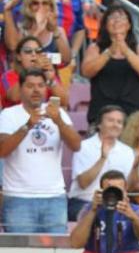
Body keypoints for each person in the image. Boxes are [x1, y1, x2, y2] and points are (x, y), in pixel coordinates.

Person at [0, 68, 81, 233]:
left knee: (55, 252)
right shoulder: (9, 115)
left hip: (54, 197)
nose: (36, 90)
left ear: (46, 88)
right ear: (21, 88)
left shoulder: (58, 113)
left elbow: (76, 145)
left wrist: (58, 121)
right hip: (18, 198)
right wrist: (28, 125)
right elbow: (3, 151)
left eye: (40, 85)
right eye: (30, 85)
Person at [81, 6, 139, 124]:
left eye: (122, 17)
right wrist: (109, 52)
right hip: (101, 114)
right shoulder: (95, 48)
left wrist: (125, 50)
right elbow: (86, 71)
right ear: (105, 24)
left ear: (129, 25)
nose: (117, 20)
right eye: (112, 17)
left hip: (133, 115)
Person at [68, 105, 135, 222]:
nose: (115, 125)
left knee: (135, 217)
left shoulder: (128, 151)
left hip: (116, 203)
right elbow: (83, 183)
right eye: (110, 120)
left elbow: (127, 187)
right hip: (84, 202)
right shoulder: (84, 147)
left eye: (119, 122)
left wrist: (137, 167)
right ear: (99, 124)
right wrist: (103, 158)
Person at [3, 0, 71, 68]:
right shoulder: (22, 29)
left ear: (51, 7)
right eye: (35, 3)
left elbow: (66, 59)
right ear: (29, 7)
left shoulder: (58, 30)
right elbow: (16, 53)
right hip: (27, 77)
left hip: (49, 77)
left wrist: (55, 29)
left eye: (45, 3)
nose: (40, 7)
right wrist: (37, 32)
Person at [1, 34, 69, 109]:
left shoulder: (46, 73)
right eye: (28, 51)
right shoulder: (8, 76)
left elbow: (64, 102)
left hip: (43, 118)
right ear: (19, 56)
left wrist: (51, 81)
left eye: (37, 51)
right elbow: (14, 97)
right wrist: (32, 69)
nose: (33, 54)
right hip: (15, 118)